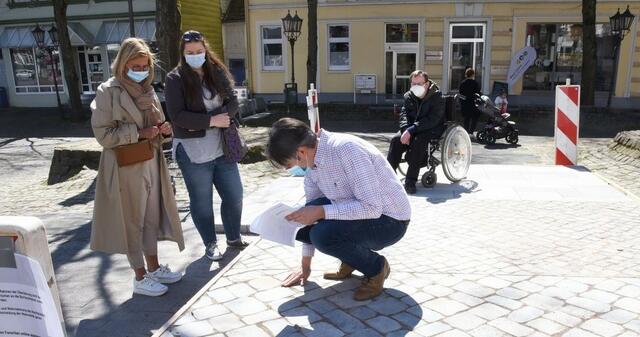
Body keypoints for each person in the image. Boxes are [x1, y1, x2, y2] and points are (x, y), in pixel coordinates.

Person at [266, 118, 412, 301]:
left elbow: (372, 207)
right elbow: (311, 211)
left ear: (301, 152)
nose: (295, 169)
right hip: (365, 214)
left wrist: (321, 212)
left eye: (291, 165)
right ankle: (352, 259)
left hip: (391, 220)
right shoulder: (312, 166)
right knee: (299, 222)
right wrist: (305, 266)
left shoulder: (347, 150)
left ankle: (376, 268)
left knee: (322, 235)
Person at [90, 37, 184, 297]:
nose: (141, 71)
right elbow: (103, 135)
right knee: (131, 220)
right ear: (123, 63)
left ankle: (153, 267)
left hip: (151, 160)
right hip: (125, 165)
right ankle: (139, 276)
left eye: (145, 66)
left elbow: (157, 125)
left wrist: (164, 130)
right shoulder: (107, 91)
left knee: (152, 216)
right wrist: (139, 132)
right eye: (136, 65)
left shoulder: (148, 90)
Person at [164, 30, 248, 261]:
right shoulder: (175, 78)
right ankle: (210, 244)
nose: (195, 55)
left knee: (234, 195)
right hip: (193, 152)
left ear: (205, 50)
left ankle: (233, 237)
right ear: (182, 53)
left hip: (223, 147)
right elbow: (177, 115)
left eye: (199, 51)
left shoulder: (216, 70)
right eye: (190, 52)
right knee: (202, 201)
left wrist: (216, 117)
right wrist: (212, 120)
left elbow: (233, 101)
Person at [387, 70, 445, 194]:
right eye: (413, 84)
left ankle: (410, 181)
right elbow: (404, 115)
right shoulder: (409, 96)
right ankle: (388, 178)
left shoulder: (437, 97)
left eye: (418, 84)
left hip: (430, 128)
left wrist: (411, 130)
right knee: (396, 140)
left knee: (419, 141)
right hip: (411, 128)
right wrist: (404, 130)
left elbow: (433, 119)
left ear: (427, 84)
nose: (415, 87)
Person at [459, 68, 482, 134]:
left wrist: (462, 103)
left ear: (466, 74)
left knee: (466, 119)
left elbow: (460, 94)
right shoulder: (475, 83)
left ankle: (466, 133)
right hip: (473, 104)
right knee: (474, 119)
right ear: (473, 75)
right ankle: (471, 132)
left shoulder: (463, 83)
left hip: (465, 104)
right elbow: (478, 94)